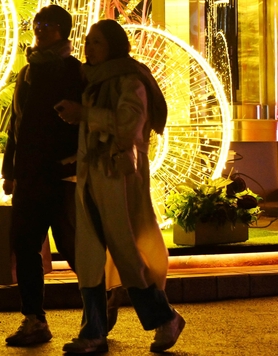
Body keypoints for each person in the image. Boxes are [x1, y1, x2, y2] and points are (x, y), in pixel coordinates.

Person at [55, 19, 184, 354]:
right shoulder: (94, 81)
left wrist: (84, 114)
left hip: (118, 181)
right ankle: (93, 331)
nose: (89, 47)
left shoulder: (130, 80)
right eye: (88, 41)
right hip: (92, 179)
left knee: (126, 253)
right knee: (89, 256)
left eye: (97, 42)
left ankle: (164, 316)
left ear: (113, 45)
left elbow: (130, 124)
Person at [1, 5, 84, 346]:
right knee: (23, 243)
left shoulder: (73, 70)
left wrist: (75, 163)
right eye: (37, 23)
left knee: (71, 245)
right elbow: (16, 124)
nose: (40, 29)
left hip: (61, 173)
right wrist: (10, 170)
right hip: (30, 173)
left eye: (49, 25)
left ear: (63, 31)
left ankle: (103, 297)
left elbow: (83, 120)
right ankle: (34, 318)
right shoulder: (27, 72)